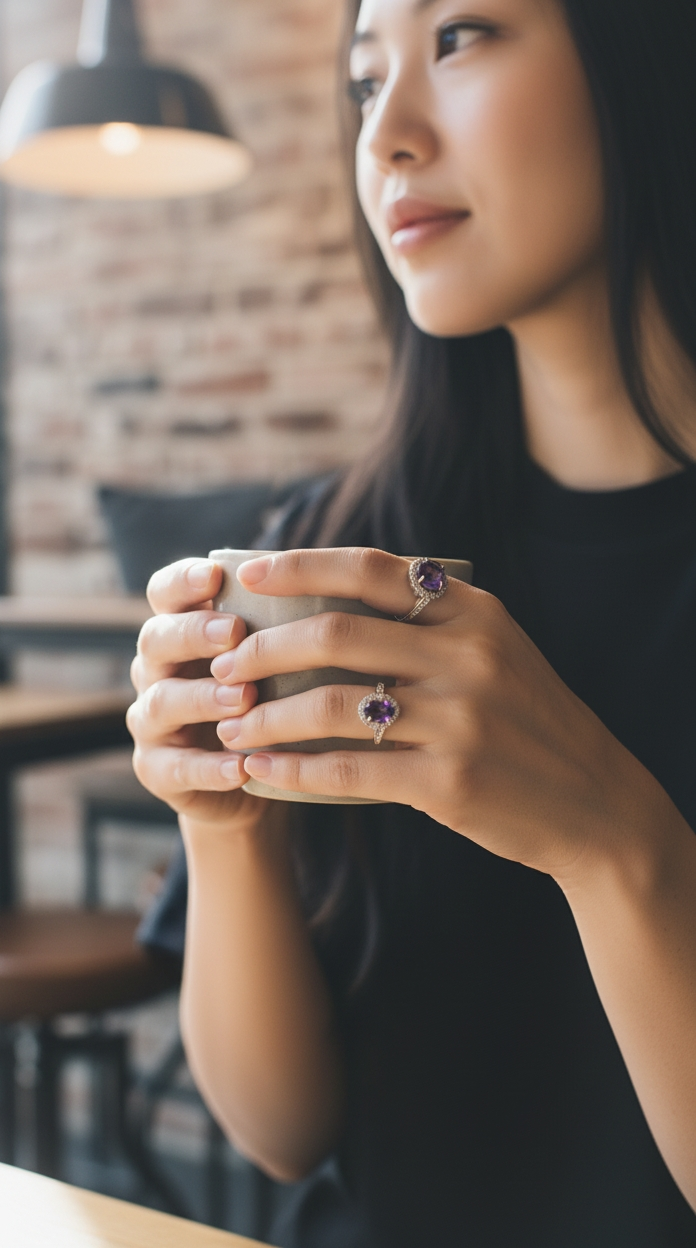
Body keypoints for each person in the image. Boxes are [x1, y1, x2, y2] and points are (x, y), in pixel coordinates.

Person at [126, 0, 696, 1242]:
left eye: (461, 38)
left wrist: (615, 846)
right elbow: (284, 1133)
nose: (385, 133)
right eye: (361, 78)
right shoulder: (341, 549)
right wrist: (224, 833)